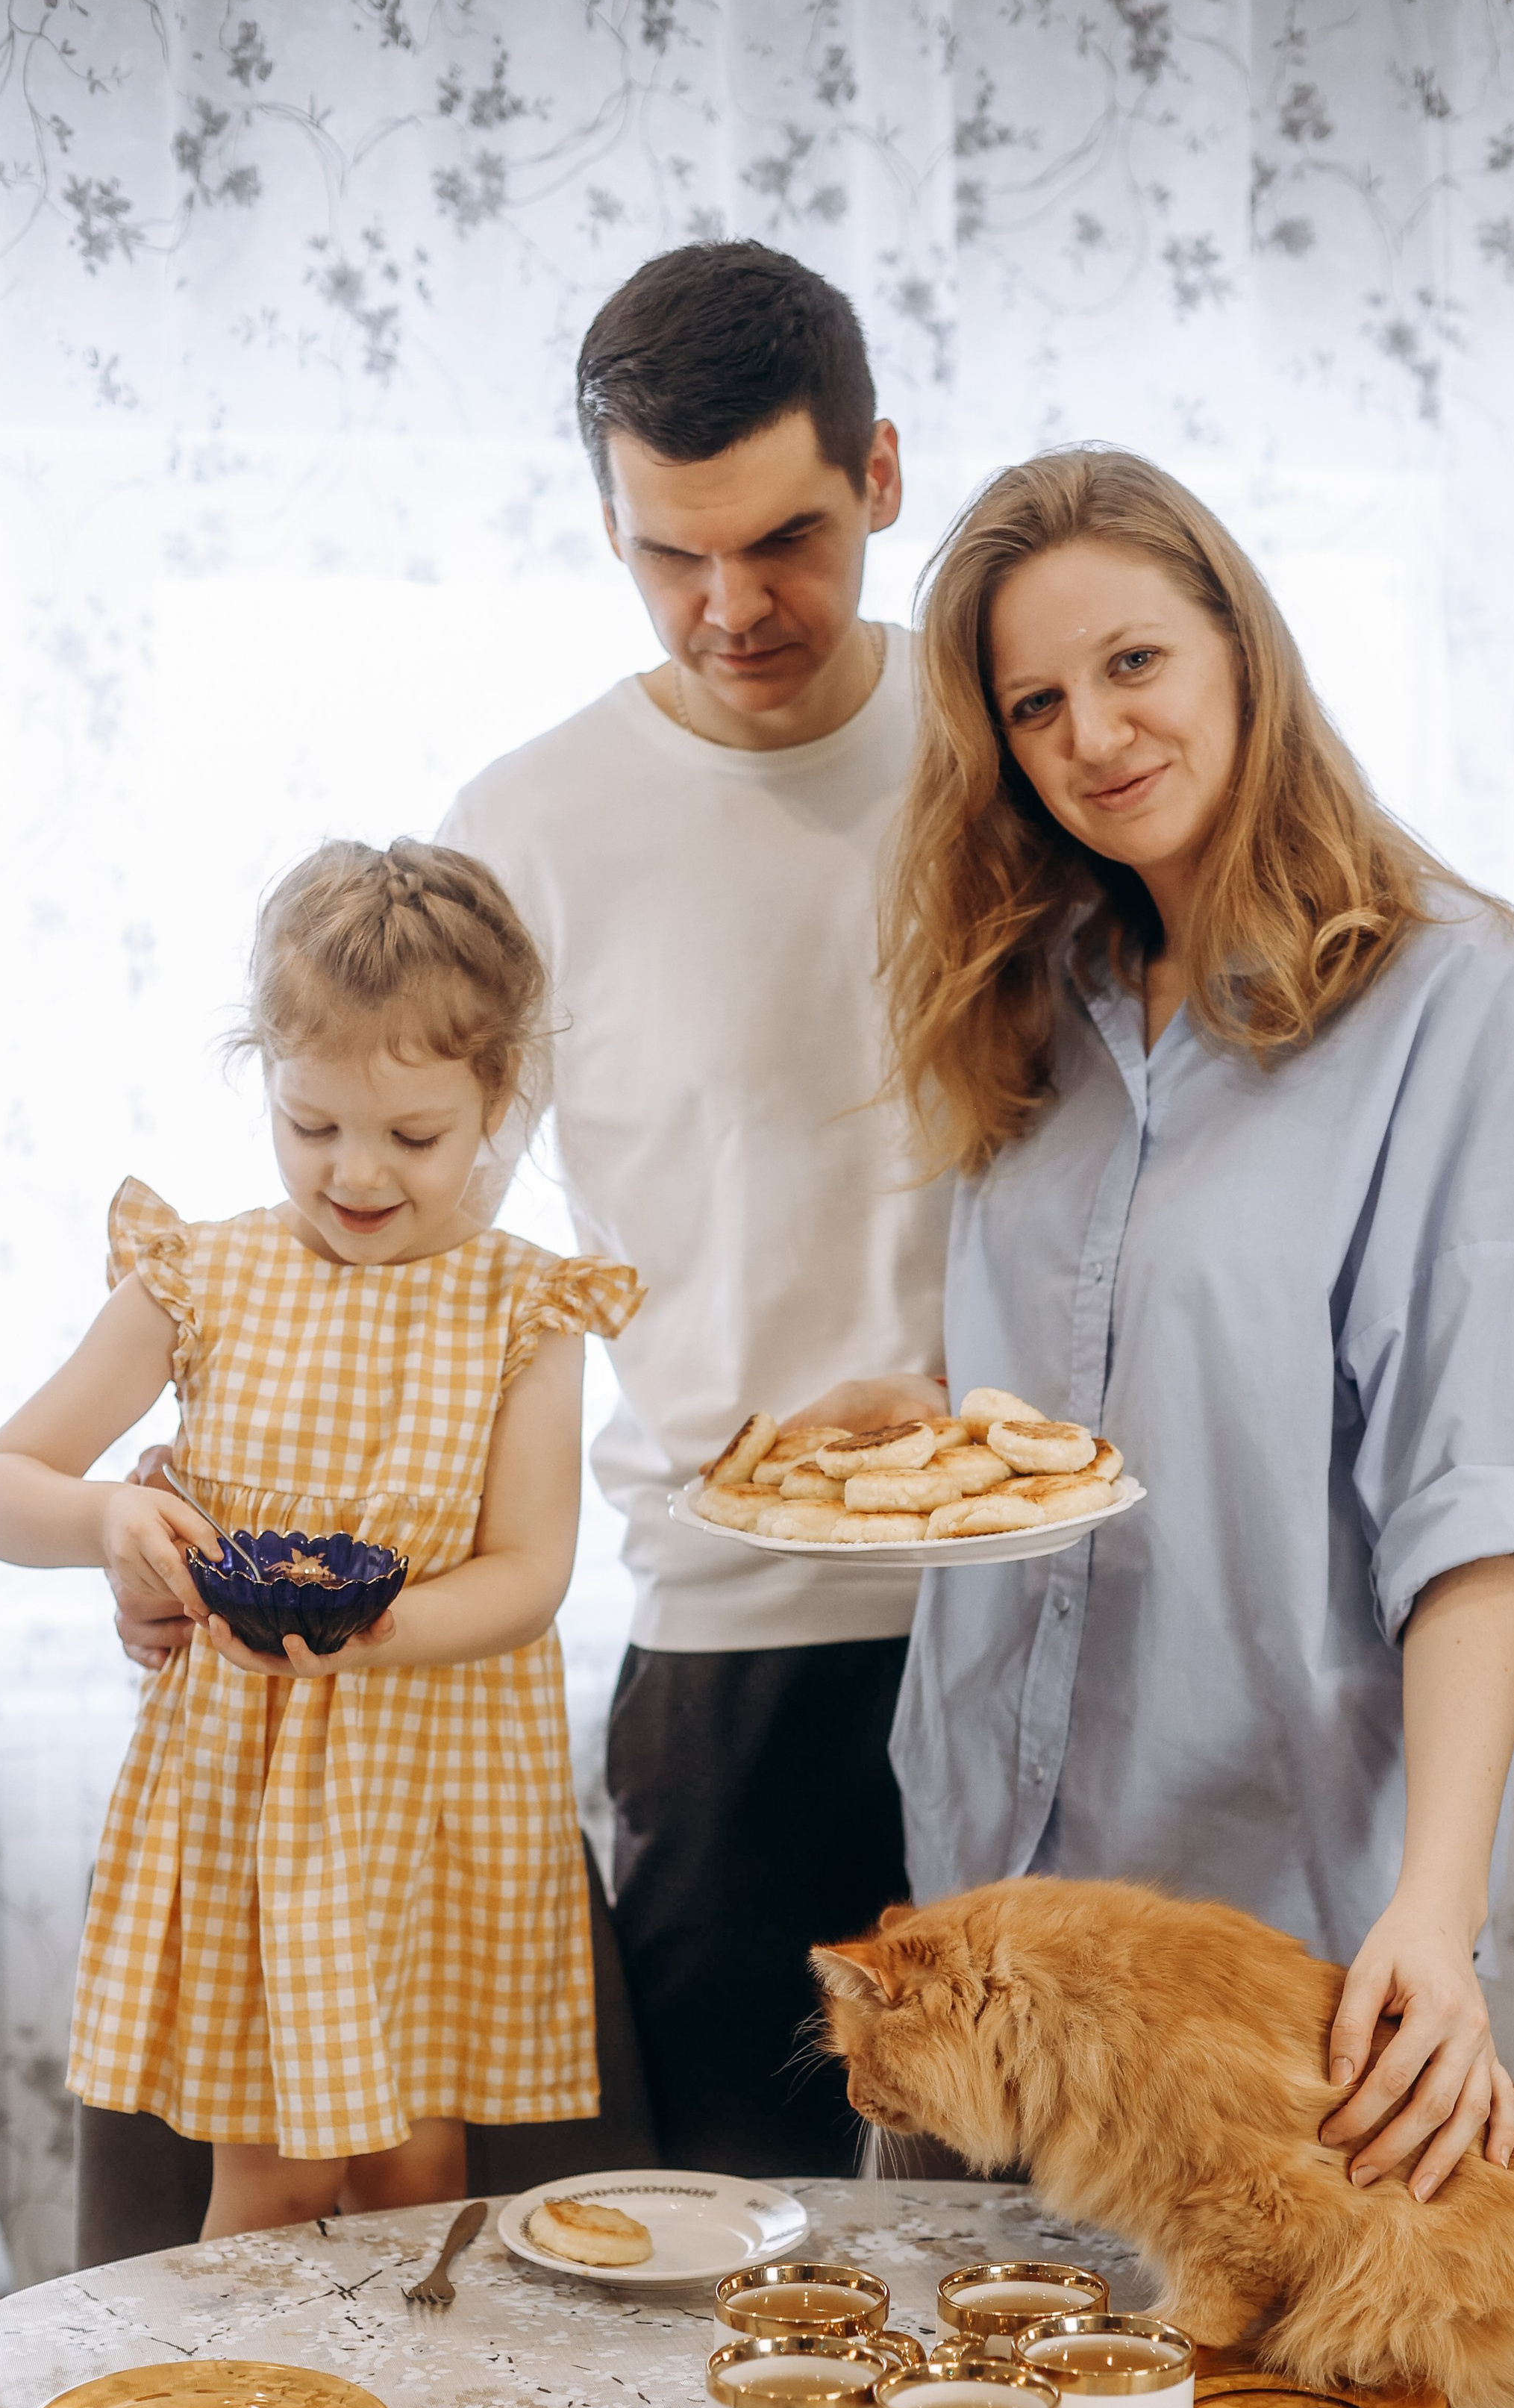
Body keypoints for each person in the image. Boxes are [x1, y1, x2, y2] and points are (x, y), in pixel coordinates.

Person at [115, 243, 949, 2177]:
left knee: (1062, 2266)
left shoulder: (1017, 751)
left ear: (884, 473)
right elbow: (394, 1213)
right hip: (732, 1640)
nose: (731, 606)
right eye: (669, 553)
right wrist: (201, 1472)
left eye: (787, 540)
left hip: (1065, 1623)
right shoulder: (535, 821)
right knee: (734, 2268)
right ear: (607, 524)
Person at [873, 448, 1514, 2202]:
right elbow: (1042, 1416)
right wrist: (905, 1425)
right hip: (982, 1917)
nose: (1093, 736)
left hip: (1252, 1919)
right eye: (1034, 704)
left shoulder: (1450, 992)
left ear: (1237, 648)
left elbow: (1473, 1493)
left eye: (1132, 664)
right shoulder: (1023, 1000)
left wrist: (1434, 1909)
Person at [0, 841, 641, 2236]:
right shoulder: (201, 1276)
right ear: (264, 1075)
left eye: (414, 1135)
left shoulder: (528, 1309)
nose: (357, 1173)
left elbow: (528, 1576)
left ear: (498, 1097)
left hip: (446, 1800)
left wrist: (370, 1635)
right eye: (312, 1124)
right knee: (268, 2182)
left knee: (417, 2180)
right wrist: (111, 1519)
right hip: (252, 1809)